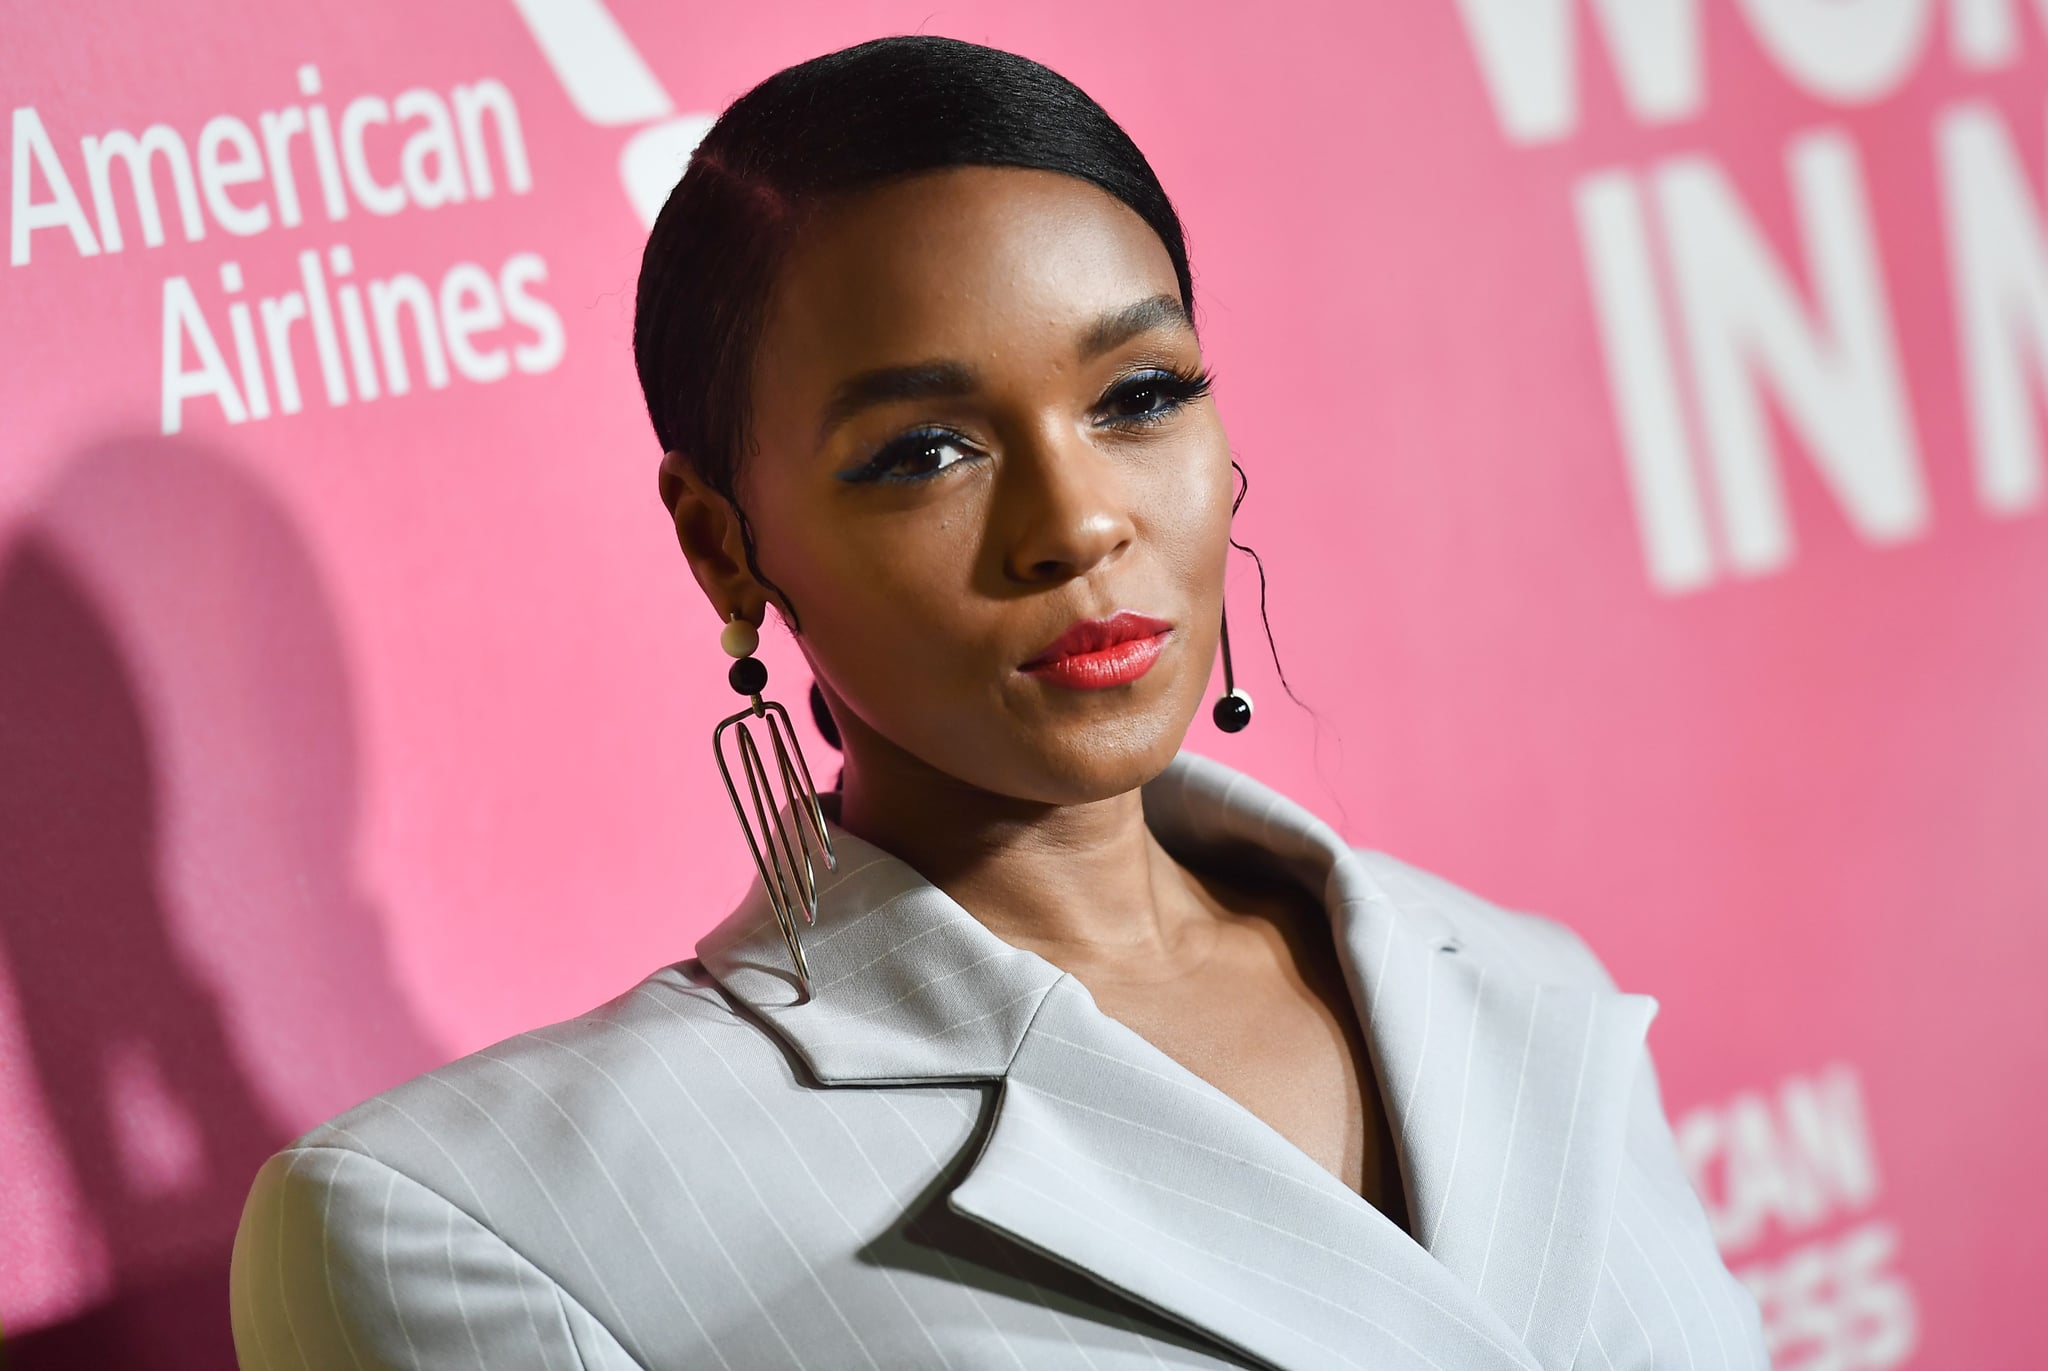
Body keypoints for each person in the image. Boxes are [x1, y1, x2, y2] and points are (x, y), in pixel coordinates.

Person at [229, 34, 1767, 1371]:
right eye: (926, 451)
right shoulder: (485, 1222)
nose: (1076, 521)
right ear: (724, 542)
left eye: (1140, 397)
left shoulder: (1521, 990)